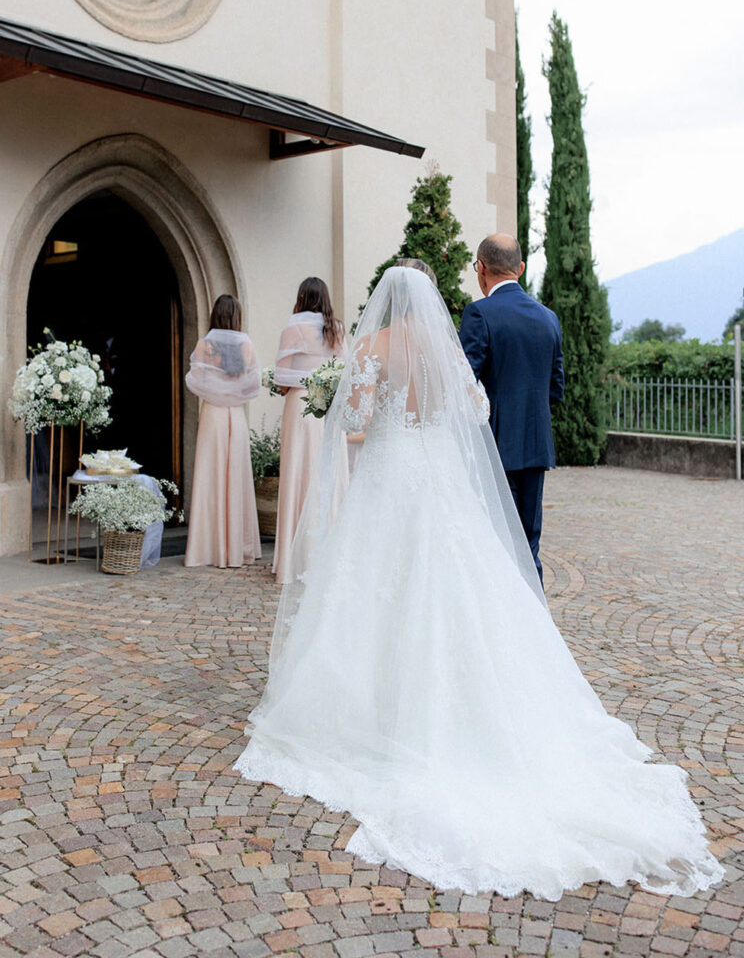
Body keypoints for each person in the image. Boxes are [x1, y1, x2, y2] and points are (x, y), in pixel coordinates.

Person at [233, 265, 723, 900]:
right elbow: (478, 407)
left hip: (387, 482)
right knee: (461, 589)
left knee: (372, 593)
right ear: (433, 299)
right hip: (438, 485)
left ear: (387, 297)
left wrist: (360, 409)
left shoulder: (374, 347)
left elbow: (351, 419)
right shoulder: (443, 346)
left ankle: (373, 711)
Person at [459, 234, 564, 584]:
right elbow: (556, 389)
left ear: (481, 268)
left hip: (494, 449)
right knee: (528, 546)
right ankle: (537, 627)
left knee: (495, 545)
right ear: (520, 268)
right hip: (535, 448)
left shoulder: (479, 313)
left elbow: (465, 384)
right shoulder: (549, 318)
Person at [273, 277, 347, 583]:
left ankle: (293, 559)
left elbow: (281, 378)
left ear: (301, 298)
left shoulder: (293, 329)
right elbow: (344, 373)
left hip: (300, 407)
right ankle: (326, 556)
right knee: (325, 476)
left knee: (296, 476)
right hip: (328, 408)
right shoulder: (337, 330)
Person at [184, 294, 261, 568]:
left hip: (213, 415)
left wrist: (217, 393)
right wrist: (232, 394)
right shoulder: (246, 345)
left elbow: (194, 381)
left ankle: (208, 548)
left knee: (210, 476)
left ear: (215, 315)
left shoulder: (206, 345)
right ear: (235, 316)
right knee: (236, 476)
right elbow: (254, 384)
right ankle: (237, 547)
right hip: (235, 415)